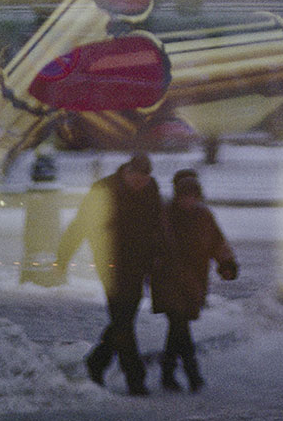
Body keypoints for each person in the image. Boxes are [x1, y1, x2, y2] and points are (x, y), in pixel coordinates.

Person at [54, 152, 162, 395]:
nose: (140, 186)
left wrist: (160, 257)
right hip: (110, 263)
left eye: (145, 181)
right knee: (122, 321)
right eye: (137, 180)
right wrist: (62, 258)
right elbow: (80, 224)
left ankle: (96, 362)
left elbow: (158, 225)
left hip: (139, 265)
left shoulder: (150, 188)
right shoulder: (103, 190)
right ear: (128, 172)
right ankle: (135, 378)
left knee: (123, 320)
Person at [151, 167, 239, 392]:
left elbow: (218, 243)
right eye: (184, 196)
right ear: (177, 195)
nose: (189, 201)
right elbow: (152, 247)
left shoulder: (204, 216)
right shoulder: (165, 216)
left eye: (193, 196)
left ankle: (168, 374)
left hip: (194, 282)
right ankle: (193, 376)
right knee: (179, 324)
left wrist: (226, 264)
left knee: (177, 328)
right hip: (169, 280)